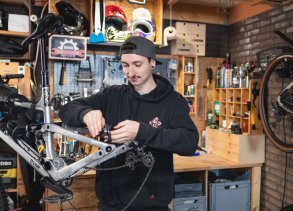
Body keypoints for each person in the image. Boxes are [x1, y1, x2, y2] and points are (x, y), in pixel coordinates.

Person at [59, 36, 199, 211]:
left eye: (137, 64)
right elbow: (66, 109)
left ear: (152, 63)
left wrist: (142, 132)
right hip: (111, 205)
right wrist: (85, 114)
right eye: (125, 65)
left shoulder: (173, 101)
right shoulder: (112, 95)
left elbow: (189, 142)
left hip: (152, 205)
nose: (130, 72)